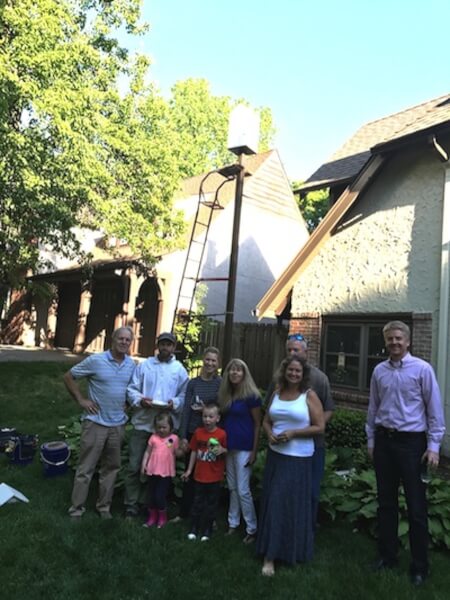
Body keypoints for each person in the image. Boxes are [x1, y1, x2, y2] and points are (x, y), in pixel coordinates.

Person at [366, 320, 445, 586]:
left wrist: (433, 446)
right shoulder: (379, 371)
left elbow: (434, 410)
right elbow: (373, 407)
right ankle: (387, 556)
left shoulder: (422, 370)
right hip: (385, 443)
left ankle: (420, 567)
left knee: (416, 508)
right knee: (386, 503)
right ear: (385, 341)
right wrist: (371, 440)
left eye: (399, 338)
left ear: (408, 341)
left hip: (412, 445)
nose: (394, 343)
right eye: (390, 339)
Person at [257, 355, 324, 576]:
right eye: (290, 370)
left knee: (289, 504)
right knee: (274, 501)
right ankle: (271, 553)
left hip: (299, 458)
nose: (294, 374)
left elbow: (319, 426)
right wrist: (269, 434)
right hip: (276, 456)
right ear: (284, 371)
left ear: (303, 374)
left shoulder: (309, 395)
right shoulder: (277, 392)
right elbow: (266, 420)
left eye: (298, 371)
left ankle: (284, 552)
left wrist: (294, 433)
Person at [64, 326, 135, 519]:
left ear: (131, 343)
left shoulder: (131, 365)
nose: (124, 342)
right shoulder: (96, 360)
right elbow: (69, 376)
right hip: (95, 423)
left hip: (118, 425)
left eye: (127, 340)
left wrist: (128, 403)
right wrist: (81, 400)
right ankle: (76, 510)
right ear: (113, 339)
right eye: (120, 339)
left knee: (111, 468)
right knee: (86, 468)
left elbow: (133, 389)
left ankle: (104, 507)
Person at [265, 333, 334, 526]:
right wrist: (271, 433)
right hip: (280, 448)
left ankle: (306, 530)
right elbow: (268, 412)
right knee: (280, 490)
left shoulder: (320, 379)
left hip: (312, 446)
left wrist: (308, 427)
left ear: (306, 351)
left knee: (310, 491)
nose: (292, 353)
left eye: (296, 349)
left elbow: (328, 411)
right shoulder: (279, 378)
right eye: (289, 350)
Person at [125, 331, 189, 518]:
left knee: (160, 469)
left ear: (174, 347)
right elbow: (132, 389)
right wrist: (140, 400)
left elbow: (185, 395)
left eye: (169, 345)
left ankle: (151, 503)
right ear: (157, 345)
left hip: (166, 430)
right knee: (135, 465)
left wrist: (174, 403)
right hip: (143, 424)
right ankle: (131, 503)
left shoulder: (179, 369)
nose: (165, 348)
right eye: (162, 344)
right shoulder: (145, 366)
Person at [175, 346, 222, 521]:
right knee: (191, 473)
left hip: (213, 436)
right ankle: (184, 513)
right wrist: (183, 436)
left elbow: (222, 409)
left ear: (218, 363)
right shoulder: (193, 383)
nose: (210, 363)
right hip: (194, 432)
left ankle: (207, 516)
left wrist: (205, 410)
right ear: (203, 360)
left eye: (214, 360)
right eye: (208, 359)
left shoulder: (220, 383)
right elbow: (186, 410)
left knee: (210, 475)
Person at [218, 358, 261, 544]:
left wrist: (254, 451)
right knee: (233, 487)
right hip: (228, 447)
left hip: (244, 447)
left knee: (243, 490)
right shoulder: (226, 394)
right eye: (231, 370)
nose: (235, 373)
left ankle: (252, 528)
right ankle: (232, 523)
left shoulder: (252, 395)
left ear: (244, 373)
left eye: (238, 370)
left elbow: (258, 424)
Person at [181, 403, 227, 541]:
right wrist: (189, 470)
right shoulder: (198, 433)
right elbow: (194, 451)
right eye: (205, 416)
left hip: (214, 476)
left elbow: (226, 452)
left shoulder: (221, 434)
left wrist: (222, 450)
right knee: (197, 503)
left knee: (211, 505)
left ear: (217, 418)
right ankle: (194, 527)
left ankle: (207, 530)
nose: (207, 420)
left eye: (211, 417)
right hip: (199, 476)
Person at [141, 411, 185, 529]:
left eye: (164, 427)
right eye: (159, 427)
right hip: (152, 470)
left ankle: (162, 517)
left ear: (170, 427)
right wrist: (144, 464)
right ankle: (152, 517)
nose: (161, 430)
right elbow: (147, 452)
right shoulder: (153, 438)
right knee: (151, 495)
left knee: (160, 496)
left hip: (165, 472)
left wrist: (184, 449)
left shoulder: (172, 439)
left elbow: (176, 453)